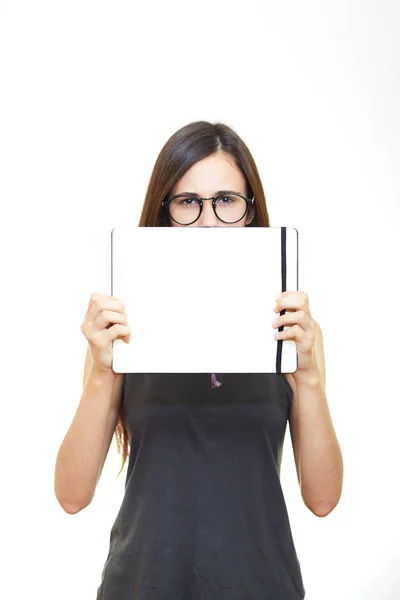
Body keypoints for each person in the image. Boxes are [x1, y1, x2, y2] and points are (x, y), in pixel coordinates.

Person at [54, 120, 342, 599]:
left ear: (251, 212)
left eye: (226, 201)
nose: (208, 221)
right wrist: (102, 371)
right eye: (188, 202)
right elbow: (71, 495)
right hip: (142, 585)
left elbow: (323, 499)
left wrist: (308, 378)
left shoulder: (291, 333)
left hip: (261, 585)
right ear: (163, 213)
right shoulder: (124, 330)